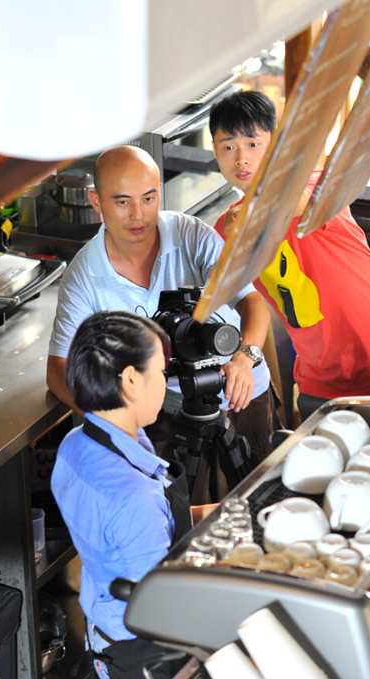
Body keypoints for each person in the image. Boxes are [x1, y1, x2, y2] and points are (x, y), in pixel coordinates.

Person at [46, 145, 276, 488]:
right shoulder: (84, 275)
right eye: (122, 202)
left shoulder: (191, 236)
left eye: (149, 198)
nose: (138, 214)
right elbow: (57, 370)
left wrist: (246, 357)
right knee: (184, 516)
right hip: (164, 412)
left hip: (243, 391)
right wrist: (120, 418)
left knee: (258, 495)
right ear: (97, 202)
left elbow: (252, 303)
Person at [209, 90, 370, 420]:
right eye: (228, 146)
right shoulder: (226, 229)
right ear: (215, 152)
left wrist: (246, 217)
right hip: (318, 377)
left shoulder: (317, 184)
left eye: (253, 143)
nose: (241, 158)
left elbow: (291, 204)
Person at [50, 311, 190, 679]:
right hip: (143, 656)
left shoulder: (76, 445)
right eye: (162, 372)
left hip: (103, 634)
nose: (166, 384)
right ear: (130, 380)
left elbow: (152, 522)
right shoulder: (133, 497)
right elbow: (161, 608)